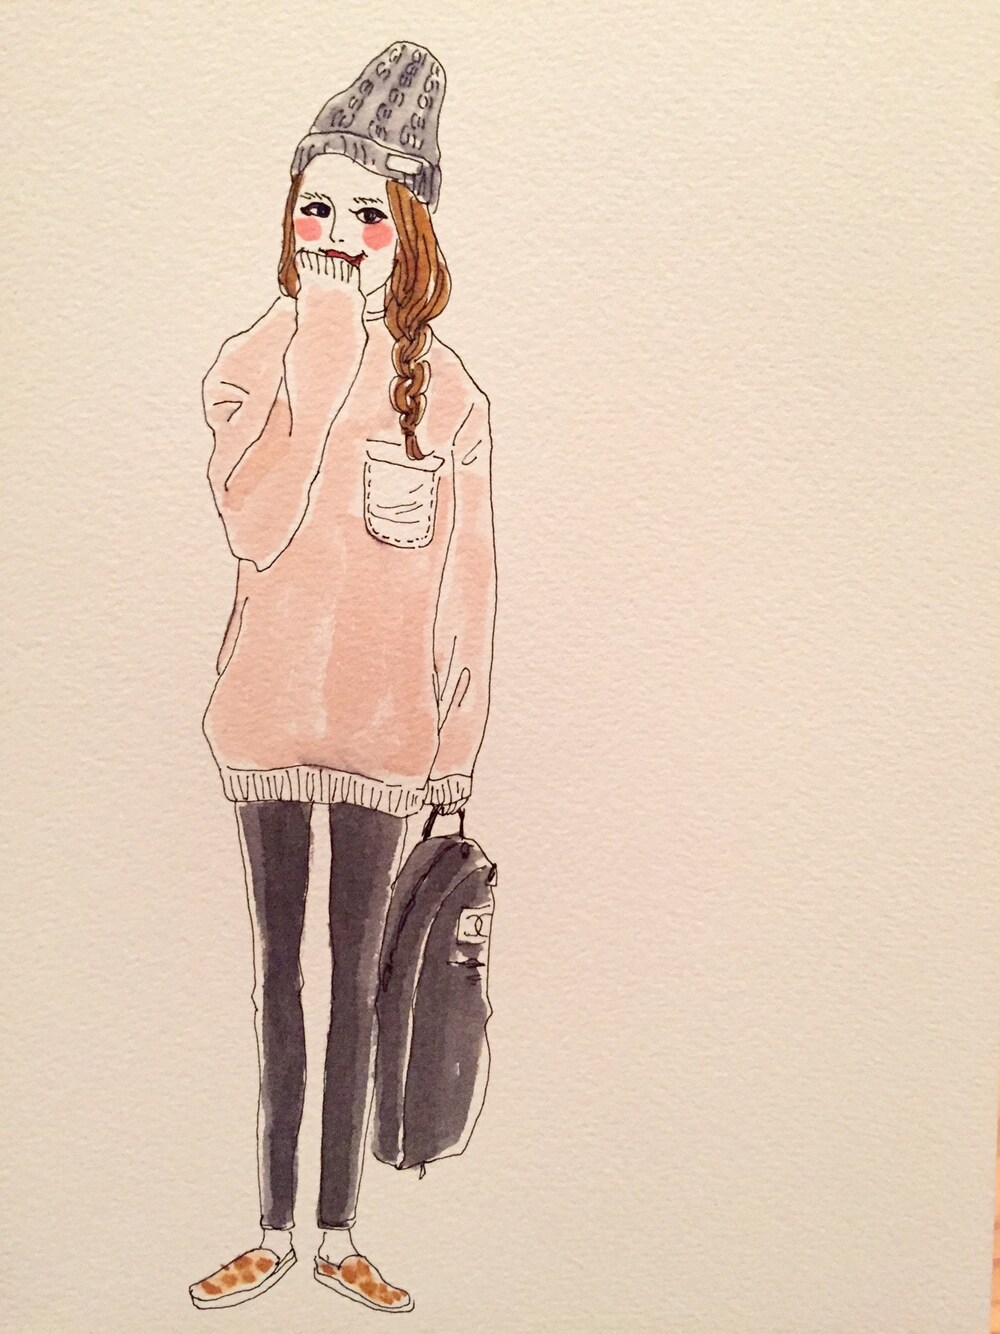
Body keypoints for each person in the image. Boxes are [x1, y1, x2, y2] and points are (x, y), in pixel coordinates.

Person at [188, 41, 496, 1314]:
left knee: (361, 982)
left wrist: (455, 752)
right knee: (283, 978)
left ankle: (335, 1230)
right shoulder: (249, 360)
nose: (336, 235)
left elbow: (468, 585)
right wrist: (316, 369)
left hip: (383, 737)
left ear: (406, 234)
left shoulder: (450, 391)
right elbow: (252, 523)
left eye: (367, 215)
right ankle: (270, 1225)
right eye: (316, 208)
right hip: (266, 716)